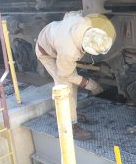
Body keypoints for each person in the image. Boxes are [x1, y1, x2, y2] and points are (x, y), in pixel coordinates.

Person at [35, 11, 116, 140]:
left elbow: (70, 14)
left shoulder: (84, 22)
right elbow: (65, 75)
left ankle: (70, 113)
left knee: (73, 86)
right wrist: (91, 85)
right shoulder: (69, 52)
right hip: (46, 53)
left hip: (52, 34)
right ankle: (70, 126)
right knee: (65, 88)